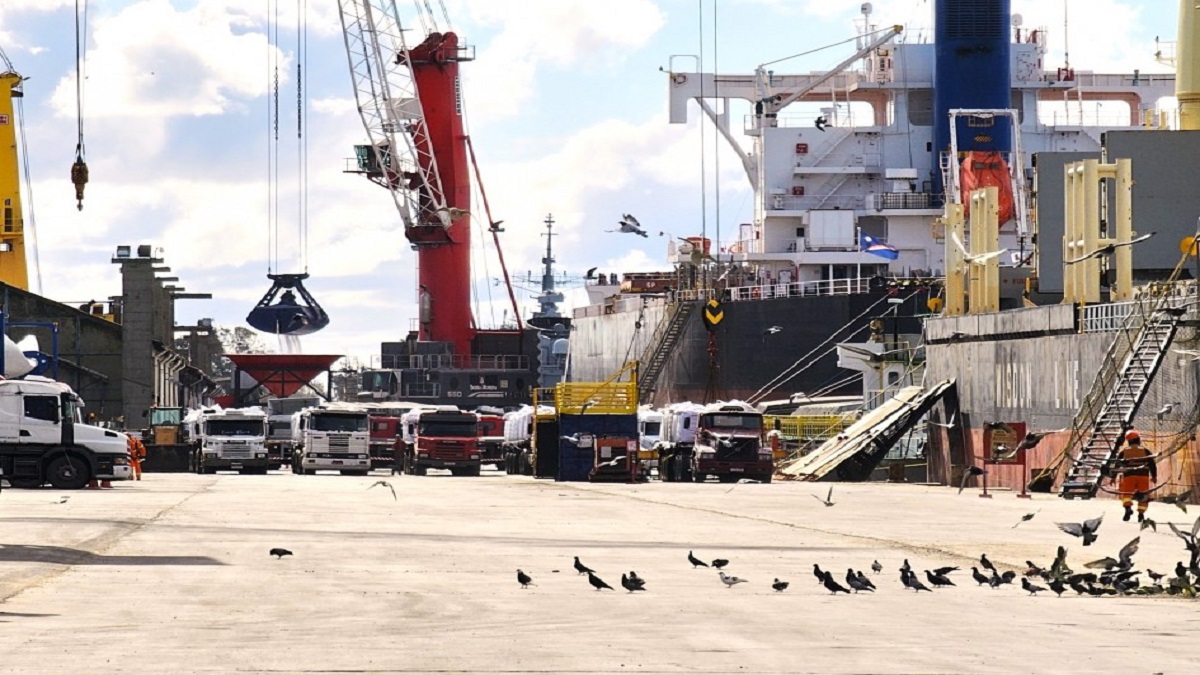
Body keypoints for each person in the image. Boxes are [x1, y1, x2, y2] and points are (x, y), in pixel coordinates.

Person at [1113, 429, 1157, 522]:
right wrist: (1154, 476)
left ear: (1128, 441)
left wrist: (1113, 477)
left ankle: (1128, 508)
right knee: (1143, 495)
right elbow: (1152, 464)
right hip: (1143, 476)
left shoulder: (1124, 452)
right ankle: (1141, 514)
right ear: (1138, 439)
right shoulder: (1145, 451)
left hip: (1129, 476)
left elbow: (1117, 465)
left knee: (1126, 494)